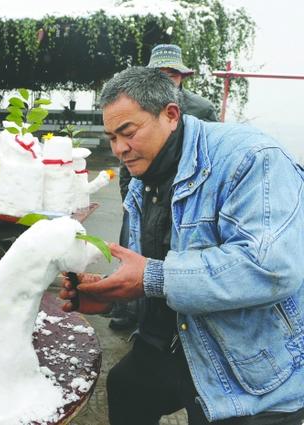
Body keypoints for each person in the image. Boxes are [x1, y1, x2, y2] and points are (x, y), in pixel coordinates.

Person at [60, 66, 304, 424]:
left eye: (127, 133)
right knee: (127, 386)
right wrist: (116, 295)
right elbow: (154, 267)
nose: (119, 149)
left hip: (250, 365)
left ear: (171, 115)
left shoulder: (252, 157)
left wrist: (152, 279)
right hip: (177, 340)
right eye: (111, 137)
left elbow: (271, 268)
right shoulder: (147, 174)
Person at [110, 44, 218, 331]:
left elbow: (209, 156)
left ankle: (169, 317)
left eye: (173, 72)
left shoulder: (202, 109)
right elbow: (126, 155)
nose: (168, 77)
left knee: (171, 252)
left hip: (183, 190)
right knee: (129, 246)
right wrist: (128, 197)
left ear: (182, 75)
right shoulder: (133, 105)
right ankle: (125, 308)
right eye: (161, 72)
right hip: (142, 190)